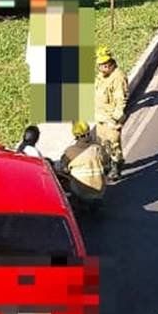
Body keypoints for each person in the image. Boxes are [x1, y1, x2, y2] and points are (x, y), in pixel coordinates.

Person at [94, 46, 128, 180]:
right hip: (100, 117)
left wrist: (116, 118)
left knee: (114, 144)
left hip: (111, 119)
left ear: (111, 62)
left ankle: (117, 167)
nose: (103, 67)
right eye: (101, 64)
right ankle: (108, 164)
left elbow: (121, 100)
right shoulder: (101, 77)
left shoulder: (118, 77)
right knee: (102, 144)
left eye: (106, 64)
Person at [55, 121, 109, 205]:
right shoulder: (98, 148)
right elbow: (106, 163)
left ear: (76, 136)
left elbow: (63, 168)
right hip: (99, 190)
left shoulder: (70, 151)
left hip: (80, 191)